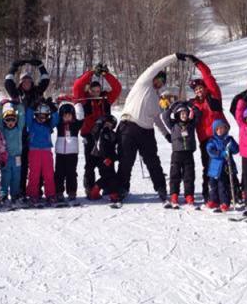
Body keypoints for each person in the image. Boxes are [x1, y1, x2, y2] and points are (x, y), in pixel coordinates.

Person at [117, 53, 184, 201]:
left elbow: (157, 120)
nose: (159, 83)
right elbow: (156, 66)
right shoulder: (143, 83)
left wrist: (167, 135)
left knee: (152, 160)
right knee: (126, 160)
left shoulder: (156, 99)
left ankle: (160, 188)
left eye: (162, 82)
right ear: (153, 77)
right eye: (159, 79)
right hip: (128, 126)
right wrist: (174, 57)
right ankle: (122, 188)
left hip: (146, 132)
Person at [72, 64, 122, 199]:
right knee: (90, 164)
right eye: (93, 91)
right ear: (89, 91)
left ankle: (107, 187)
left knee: (106, 163)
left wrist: (106, 74)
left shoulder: (106, 99)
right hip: (89, 136)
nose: (96, 93)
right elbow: (77, 86)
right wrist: (92, 72)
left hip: (104, 137)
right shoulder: (84, 100)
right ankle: (89, 187)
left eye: (98, 90)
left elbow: (117, 88)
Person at [5, 59, 50, 195]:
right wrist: (14, 66)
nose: (27, 83)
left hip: (36, 131)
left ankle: (37, 189)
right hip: (20, 132)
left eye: (29, 81)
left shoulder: (37, 91)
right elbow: (8, 81)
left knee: (37, 163)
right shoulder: (16, 93)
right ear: (20, 83)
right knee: (22, 163)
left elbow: (46, 79)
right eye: (24, 81)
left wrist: (40, 66)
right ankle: (21, 189)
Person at [186, 56, 226, 203]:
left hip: (219, 136)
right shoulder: (194, 105)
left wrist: (197, 62)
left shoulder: (214, 96)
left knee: (224, 163)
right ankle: (208, 193)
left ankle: (229, 192)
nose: (198, 91)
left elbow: (208, 76)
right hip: (205, 139)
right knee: (208, 166)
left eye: (200, 88)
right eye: (196, 90)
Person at [160, 101, 201, 208]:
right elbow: (164, 116)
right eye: (181, 113)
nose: (184, 115)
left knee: (189, 176)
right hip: (177, 154)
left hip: (188, 154)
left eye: (185, 113)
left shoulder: (191, 124)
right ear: (177, 115)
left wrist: (190, 105)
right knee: (175, 176)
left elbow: (198, 114)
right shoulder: (173, 125)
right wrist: (173, 106)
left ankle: (189, 195)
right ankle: (174, 195)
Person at [25, 100, 60, 205]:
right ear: (36, 115)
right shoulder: (31, 124)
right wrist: (32, 106)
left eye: (44, 116)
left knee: (48, 174)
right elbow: (27, 117)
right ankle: (32, 195)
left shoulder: (49, 125)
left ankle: (50, 194)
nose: (42, 119)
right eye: (40, 116)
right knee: (34, 174)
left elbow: (56, 119)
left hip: (46, 152)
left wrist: (52, 108)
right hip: (34, 151)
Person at [53, 103, 85, 204]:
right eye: (64, 115)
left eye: (69, 115)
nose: (67, 117)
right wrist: (55, 108)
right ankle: (59, 192)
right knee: (59, 173)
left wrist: (77, 104)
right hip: (60, 153)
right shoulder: (59, 124)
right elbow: (54, 118)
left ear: (73, 115)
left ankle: (72, 191)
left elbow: (81, 116)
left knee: (71, 173)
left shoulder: (76, 125)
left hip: (72, 153)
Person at [205, 119, 239, 213]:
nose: (220, 130)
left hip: (225, 167)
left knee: (222, 185)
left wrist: (231, 146)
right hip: (214, 167)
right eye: (217, 129)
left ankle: (225, 202)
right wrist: (221, 153)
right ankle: (214, 200)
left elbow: (236, 150)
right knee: (213, 185)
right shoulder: (212, 140)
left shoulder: (229, 139)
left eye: (221, 128)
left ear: (225, 128)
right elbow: (210, 151)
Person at [0, 100, 25, 205]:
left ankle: (15, 194)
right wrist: (0, 105)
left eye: (12, 120)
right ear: (4, 121)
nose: (10, 122)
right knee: (5, 176)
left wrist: (18, 105)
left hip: (17, 157)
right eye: (7, 120)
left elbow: (22, 116)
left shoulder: (19, 129)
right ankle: (3, 194)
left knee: (16, 177)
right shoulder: (3, 130)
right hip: (6, 157)